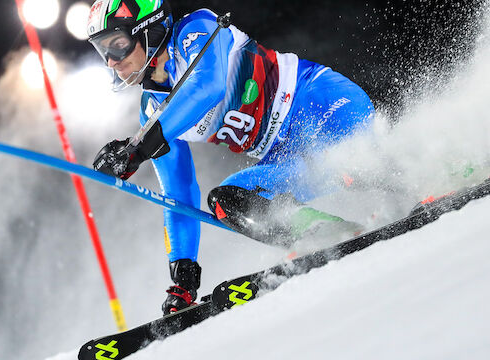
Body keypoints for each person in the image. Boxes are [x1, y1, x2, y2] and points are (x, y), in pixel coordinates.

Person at [87, 0, 375, 315]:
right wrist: (183, 275)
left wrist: (138, 148)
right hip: (290, 161)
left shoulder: (196, 30)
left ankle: (415, 168)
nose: (111, 62)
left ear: (149, 30)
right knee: (227, 201)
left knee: (351, 162)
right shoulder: (151, 110)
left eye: (118, 45)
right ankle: (325, 231)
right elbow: (178, 192)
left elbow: (206, 87)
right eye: (104, 51)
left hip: (324, 105)